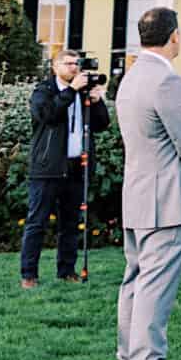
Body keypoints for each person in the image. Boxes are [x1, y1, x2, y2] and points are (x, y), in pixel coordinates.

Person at [113, 6, 181, 360]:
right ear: (174, 36)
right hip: (167, 196)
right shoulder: (168, 83)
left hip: (137, 192)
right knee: (155, 286)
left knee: (135, 283)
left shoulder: (130, 79)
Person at [22, 50, 108, 287]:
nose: (74, 68)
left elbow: (102, 124)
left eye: (76, 64)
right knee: (37, 222)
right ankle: (29, 275)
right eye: (68, 63)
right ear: (55, 66)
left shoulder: (82, 94)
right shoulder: (44, 91)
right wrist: (71, 91)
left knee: (70, 223)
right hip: (48, 167)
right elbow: (46, 115)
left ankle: (67, 270)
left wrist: (98, 101)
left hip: (76, 167)